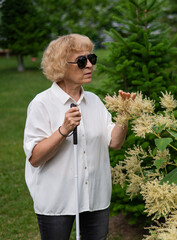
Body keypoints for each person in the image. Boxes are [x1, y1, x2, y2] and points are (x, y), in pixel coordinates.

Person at [23, 33, 135, 240]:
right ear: (60, 66)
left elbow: (115, 142)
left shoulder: (94, 101)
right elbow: (35, 158)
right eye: (82, 61)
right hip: (57, 199)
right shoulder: (41, 104)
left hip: (95, 197)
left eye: (92, 59)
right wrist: (63, 130)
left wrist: (124, 114)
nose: (89, 65)